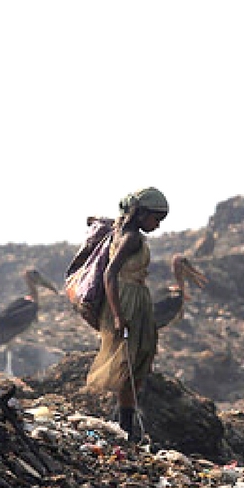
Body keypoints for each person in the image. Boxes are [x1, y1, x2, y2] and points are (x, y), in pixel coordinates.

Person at [86, 187, 169, 442]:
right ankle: (126, 426)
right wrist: (119, 315)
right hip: (126, 301)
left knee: (136, 360)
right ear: (142, 214)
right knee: (128, 362)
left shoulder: (124, 232)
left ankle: (127, 427)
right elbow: (110, 273)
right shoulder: (131, 238)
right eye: (156, 219)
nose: (157, 225)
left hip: (135, 300)